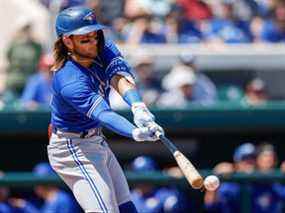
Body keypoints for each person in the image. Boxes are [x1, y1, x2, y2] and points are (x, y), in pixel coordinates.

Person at [48, 6, 164, 213]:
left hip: (94, 140)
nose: (93, 43)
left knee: (126, 207)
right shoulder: (69, 79)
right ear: (67, 41)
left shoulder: (102, 47)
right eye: (85, 39)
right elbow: (104, 114)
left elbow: (118, 76)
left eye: (94, 36)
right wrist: (135, 132)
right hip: (72, 147)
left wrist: (138, 106)